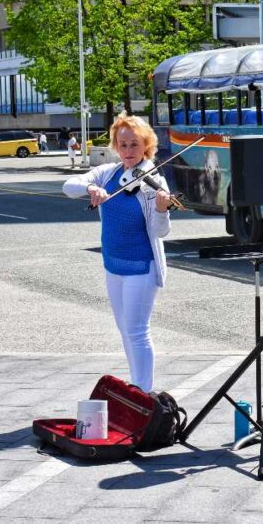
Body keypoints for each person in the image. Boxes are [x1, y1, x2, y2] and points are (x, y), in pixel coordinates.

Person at [62, 113, 172, 392]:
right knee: (125, 331)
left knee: (137, 331)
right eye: (122, 145)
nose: (128, 151)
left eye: (134, 144)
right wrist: (90, 187)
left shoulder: (153, 182)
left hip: (141, 266)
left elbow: (161, 232)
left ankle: (144, 393)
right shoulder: (108, 173)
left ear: (146, 145)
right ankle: (136, 387)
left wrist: (161, 208)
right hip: (113, 264)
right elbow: (68, 187)